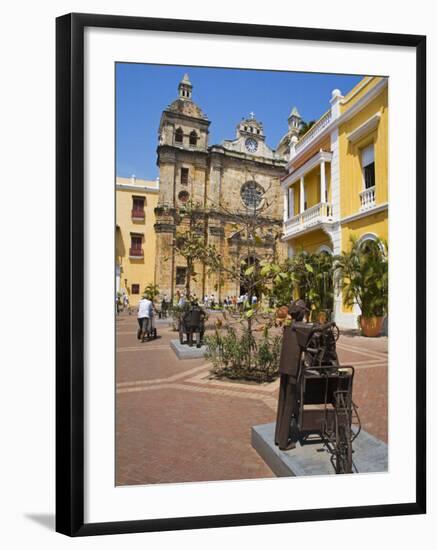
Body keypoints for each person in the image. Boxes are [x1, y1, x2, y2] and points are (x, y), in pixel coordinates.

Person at [274, 299, 309, 450]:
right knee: (289, 404)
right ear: (301, 314)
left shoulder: (288, 326)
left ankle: (278, 437)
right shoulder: (302, 328)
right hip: (293, 370)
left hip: (284, 368)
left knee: (282, 403)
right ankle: (283, 442)